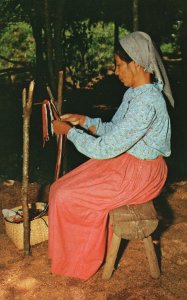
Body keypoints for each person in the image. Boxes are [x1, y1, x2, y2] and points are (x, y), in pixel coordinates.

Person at [48, 31, 174, 280]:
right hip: (127, 163)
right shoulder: (135, 94)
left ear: (136, 64)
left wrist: (71, 134)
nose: (116, 71)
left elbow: (104, 149)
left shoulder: (147, 102)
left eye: (118, 65)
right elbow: (116, 132)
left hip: (142, 174)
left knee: (67, 195)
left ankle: (80, 260)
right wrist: (85, 121)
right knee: (59, 188)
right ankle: (69, 255)